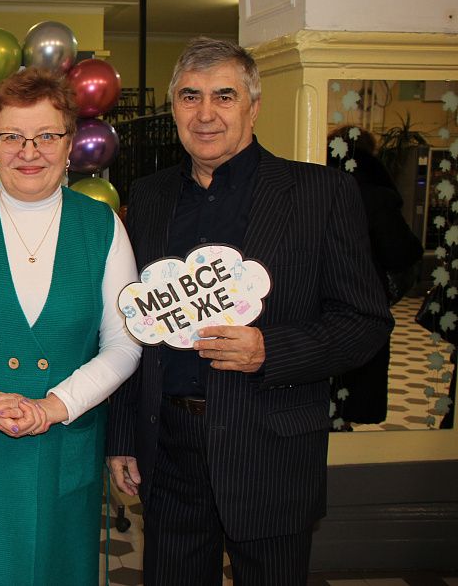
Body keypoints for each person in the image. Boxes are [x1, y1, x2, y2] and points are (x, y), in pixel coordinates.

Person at [106, 37, 394, 585]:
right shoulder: (149, 196)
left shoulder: (321, 194)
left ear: (253, 107)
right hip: (169, 448)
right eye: (190, 96)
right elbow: (133, 323)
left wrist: (271, 350)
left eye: (224, 96)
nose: (205, 113)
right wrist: (123, 435)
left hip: (270, 447)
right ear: (174, 108)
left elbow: (365, 322)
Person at [0, 67, 142, 584]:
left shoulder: (103, 226)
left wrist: (58, 405)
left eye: (46, 136)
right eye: (11, 136)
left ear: (70, 142)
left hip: (65, 447)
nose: (28, 151)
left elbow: (124, 343)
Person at [326, 125, 423, 429]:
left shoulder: (314, 187)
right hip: (363, 304)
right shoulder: (375, 195)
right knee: (356, 382)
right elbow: (401, 251)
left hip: (316, 304)